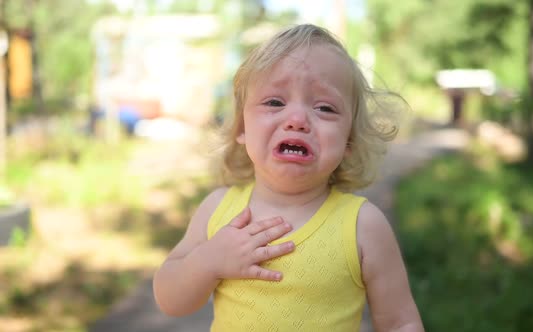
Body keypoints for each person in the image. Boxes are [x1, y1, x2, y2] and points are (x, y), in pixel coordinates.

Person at [153, 24, 424, 332]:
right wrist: (208, 260)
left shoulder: (363, 225)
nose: (297, 120)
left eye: (324, 107)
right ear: (242, 127)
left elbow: (399, 322)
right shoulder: (218, 210)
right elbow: (170, 301)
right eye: (274, 102)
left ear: (349, 140)